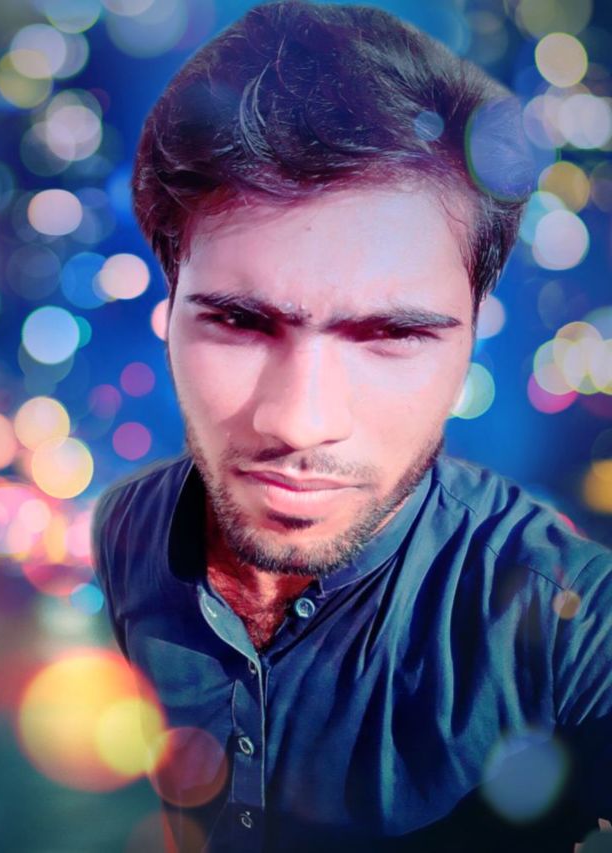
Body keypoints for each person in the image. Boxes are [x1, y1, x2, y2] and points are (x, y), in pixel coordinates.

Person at [92, 2, 612, 851]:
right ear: (170, 315)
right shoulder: (124, 531)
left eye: (393, 335)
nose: (301, 422)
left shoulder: (571, 623)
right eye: (239, 321)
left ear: (470, 343)